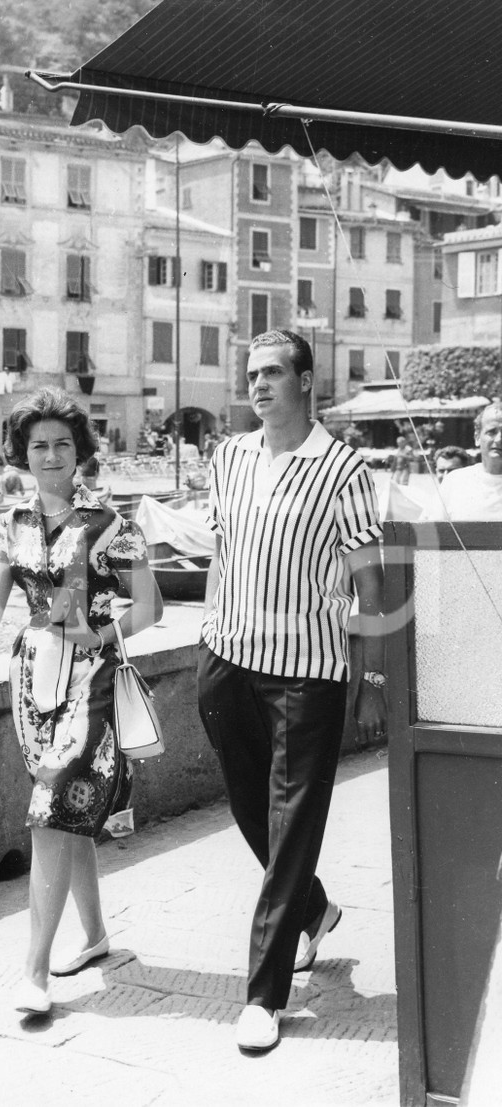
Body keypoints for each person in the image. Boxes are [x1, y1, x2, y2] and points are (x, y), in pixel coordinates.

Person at [0, 387, 163, 1016]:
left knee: (52, 810)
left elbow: (151, 607)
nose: (51, 455)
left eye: (62, 444)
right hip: (32, 680)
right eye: (38, 446)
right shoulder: (12, 524)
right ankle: (95, 935)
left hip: (92, 679)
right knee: (66, 814)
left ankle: (34, 972)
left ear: (80, 451)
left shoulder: (109, 523)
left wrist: (101, 635)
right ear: (22, 455)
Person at [198, 330, 385, 1053]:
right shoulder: (228, 457)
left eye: (274, 372)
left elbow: (370, 583)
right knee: (252, 811)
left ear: (307, 381)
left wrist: (371, 676)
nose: (259, 385)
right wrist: (208, 635)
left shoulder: (343, 468)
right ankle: (315, 909)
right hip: (228, 659)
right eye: (252, 374)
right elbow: (221, 553)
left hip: (308, 673)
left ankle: (264, 995)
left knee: (292, 825)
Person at [431, 401, 502, 520]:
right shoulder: (454, 481)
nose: (499, 439)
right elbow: (430, 528)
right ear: (477, 437)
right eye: (491, 432)